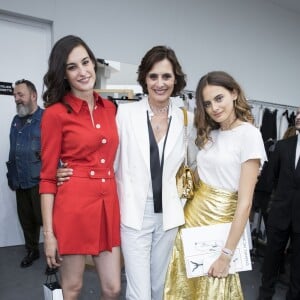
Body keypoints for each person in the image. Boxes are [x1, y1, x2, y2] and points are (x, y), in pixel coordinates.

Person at [57, 45, 197, 300]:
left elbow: (195, 164)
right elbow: (105, 156)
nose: (160, 83)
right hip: (134, 212)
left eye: (166, 76)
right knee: (138, 292)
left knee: (159, 287)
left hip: (170, 214)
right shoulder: (125, 114)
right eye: (153, 76)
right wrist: (67, 171)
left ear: (175, 79)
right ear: (144, 78)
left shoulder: (187, 119)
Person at [164, 71, 266, 299]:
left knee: (213, 290)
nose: (214, 108)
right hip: (190, 219)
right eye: (208, 104)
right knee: (183, 287)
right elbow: (196, 179)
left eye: (219, 98)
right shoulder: (213, 134)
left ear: (234, 93)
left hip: (220, 227)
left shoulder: (249, 135)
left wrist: (227, 254)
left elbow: (245, 202)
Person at [40, 35, 121, 300]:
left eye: (85, 62)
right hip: (73, 204)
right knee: (72, 288)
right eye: (72, 67)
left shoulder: (110, 108)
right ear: (63, 74)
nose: (83, 71)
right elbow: (47, 178)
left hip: (107, 203)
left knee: (113, 288)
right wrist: (49, 235)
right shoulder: (55, 114)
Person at [258, 107, 300, 300]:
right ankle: (264, 296)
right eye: (298, 113)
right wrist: (272, 206)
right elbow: (270, 179)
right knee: (271, 261)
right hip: (279, 213)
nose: (298, 117)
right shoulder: (283, 146)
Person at [6, 79, 43, 268]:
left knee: (46, 221)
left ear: (33, 96)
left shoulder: (46, 119)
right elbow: (14, 149)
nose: (17, 99)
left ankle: (55, 257)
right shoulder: (15, 121)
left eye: (21, 95)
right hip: (20, 180)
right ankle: (32, 250)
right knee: (26, 221)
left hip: (40, 182)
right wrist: (11, 175)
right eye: (15, 96)